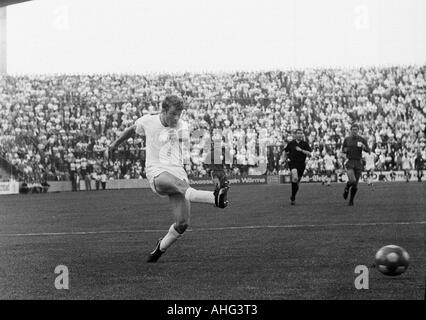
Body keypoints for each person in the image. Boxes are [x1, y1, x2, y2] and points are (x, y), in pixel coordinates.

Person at [106, 95, 230, 263]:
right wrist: (114, 145)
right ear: (163, 111)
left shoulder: (181, 126)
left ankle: (159, 249)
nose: (176, 118)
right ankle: (214, 198)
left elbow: (197, 142)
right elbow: (131, 130)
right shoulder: (148, 121)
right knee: (179, 186)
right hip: (156, 171)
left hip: (177, 172)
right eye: (173, 114)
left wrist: (213, 166)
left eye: (179, 114)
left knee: (182, 223)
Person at [341, 124, 370, 206]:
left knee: (355, 184)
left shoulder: (362, 139)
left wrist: (364, 147)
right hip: (350, 161)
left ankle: (351, 201)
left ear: (358, 130)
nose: (354, 131)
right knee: (352, 180)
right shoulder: (347, 139)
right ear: (350, 130)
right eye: (353, 129)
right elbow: (343, 150)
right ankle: (347, 187)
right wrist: (345, 150)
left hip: (358, 162)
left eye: (356, 129)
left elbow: (368, 150)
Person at [283, 129, 312, 205]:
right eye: (298, 133)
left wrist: (301, 150)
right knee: (295, 177)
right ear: (295, 135)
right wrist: (284, 159)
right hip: (292, 163)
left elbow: (309, 154)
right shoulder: (291, 143)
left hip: (301, 164)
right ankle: (293, 197)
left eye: (301, 133)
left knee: (297, 183)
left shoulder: (305, 144)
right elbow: (285, 151)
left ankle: (293, 197)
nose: (300, 135)